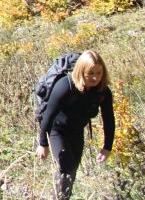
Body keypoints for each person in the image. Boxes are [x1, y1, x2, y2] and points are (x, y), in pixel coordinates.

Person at [36, 50, 115, 200]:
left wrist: (107, 147)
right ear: (81, 71)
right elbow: (48, 115)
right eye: (90, 73)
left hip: (76, 131)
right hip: (57, 130)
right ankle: (60, 197)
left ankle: (62, 196)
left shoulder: (103, 92)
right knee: (66, 166)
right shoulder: (65, 86)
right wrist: (43, 143)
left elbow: (109, 120)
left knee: (72, 170)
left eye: (99, 73)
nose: (95, 77)